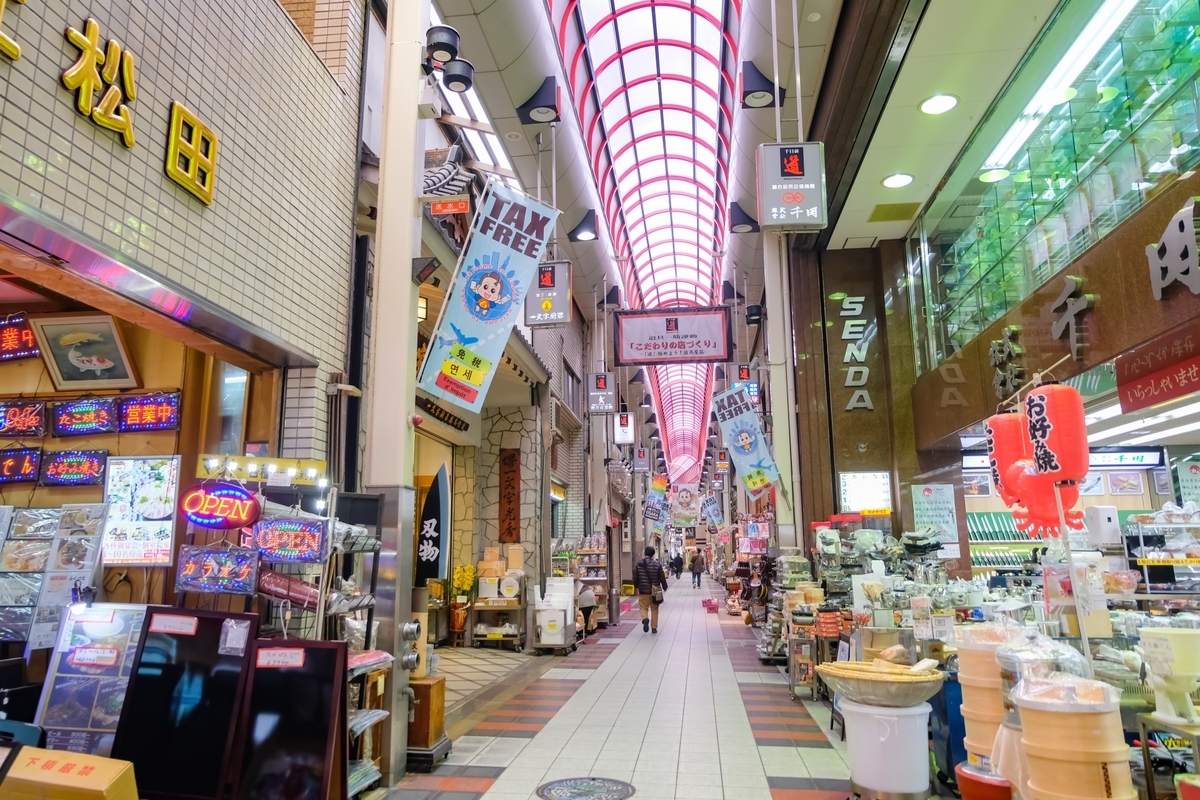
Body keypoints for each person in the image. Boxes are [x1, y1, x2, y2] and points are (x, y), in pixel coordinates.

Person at [632, 545, 668, 633]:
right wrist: (665, 586)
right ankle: (654, 627)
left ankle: (645, 619)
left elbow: (635, 577)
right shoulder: (657, 564)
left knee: (643, 607)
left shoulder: (638, 564)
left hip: (643, 590)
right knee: (654, 608)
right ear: (653, 554)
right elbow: (662, 577)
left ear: (645, 553)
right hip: (655, 591)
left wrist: (636, 587)